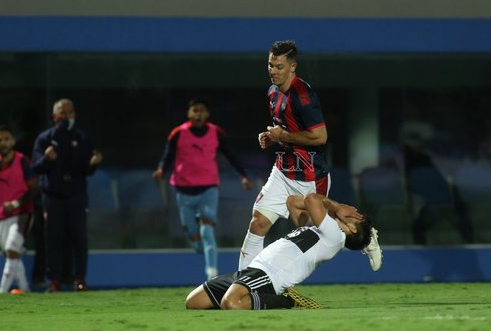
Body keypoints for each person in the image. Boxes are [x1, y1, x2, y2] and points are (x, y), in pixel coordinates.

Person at [238, 40, 382, 272]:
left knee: (316, 232)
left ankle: (365, 234)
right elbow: (285, 131)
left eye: (279, 67)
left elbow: (319, 137)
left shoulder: (304, 97)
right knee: (258, 223)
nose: (273, 71)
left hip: (309, 176)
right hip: (282, 171)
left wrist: (282, 135)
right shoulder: (272, 93)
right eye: (270, 65)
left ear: (292, 67)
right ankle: (242, 281)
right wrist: (270, 137)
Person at [185, 193, 373, 310]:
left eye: (356, 216)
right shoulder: (322, 230)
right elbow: (292, 202)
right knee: (194, 302)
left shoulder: (335, 237)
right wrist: (332, 209)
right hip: (252, 270)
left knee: (231, 303)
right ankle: (252, 299)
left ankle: (287, 301)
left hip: (269, 276)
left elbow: (311, 199)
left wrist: (336, 207)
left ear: (353, 229)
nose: (351, 211)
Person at [153, 98, 253, 280]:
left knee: (207, 230)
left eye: (201, 110)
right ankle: (198, 245)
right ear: (189, 114)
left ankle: (211, 275)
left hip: (208, 189)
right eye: (194, 110)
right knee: (194, 236)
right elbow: (167, 156)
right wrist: (160, 170)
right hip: (184, 192)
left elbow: (230, 155)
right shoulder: (178, 133)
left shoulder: (216, 132)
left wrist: (243, 176)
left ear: (207, 114)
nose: (198, 114)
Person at [32, 98, 103, 292]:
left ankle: (79, 279)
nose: (66, 116)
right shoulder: (44, 138)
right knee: (53, 239)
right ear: (54, 116)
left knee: (79, 238)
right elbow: (36, 167)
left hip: (76, 196)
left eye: (69, 112)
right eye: (62, 112)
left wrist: (94, 163)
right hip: (52, 196)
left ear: (75, 115)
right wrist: (46, 159)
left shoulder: (82, 138)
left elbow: (87, 170)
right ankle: (54, 281)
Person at [0, 125, 38, 294]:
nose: (3, 143)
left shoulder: (22, 162)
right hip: (0, 215)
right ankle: (24, 288)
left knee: (12, 249)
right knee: (11, 254)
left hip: (22, 213)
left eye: (6, 139)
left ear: (13, 141)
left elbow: (34, 188)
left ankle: (2, 291)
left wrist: (17, 203)